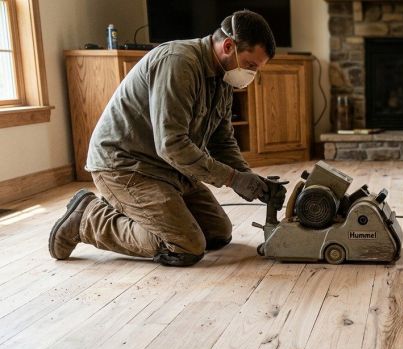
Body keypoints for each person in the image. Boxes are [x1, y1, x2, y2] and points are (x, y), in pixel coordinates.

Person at [49, 10, 286, 267]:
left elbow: (222, 140)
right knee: (186, 246)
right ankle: (88, 218)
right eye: (251, 65)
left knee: (218, 233)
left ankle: (140, 210)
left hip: (170, 169)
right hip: (126, 167)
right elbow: (171, 145)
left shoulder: (223, 77)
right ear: (228, 46)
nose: (251, 74)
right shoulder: (179, 63)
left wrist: (249, 179)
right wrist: (232, 179)